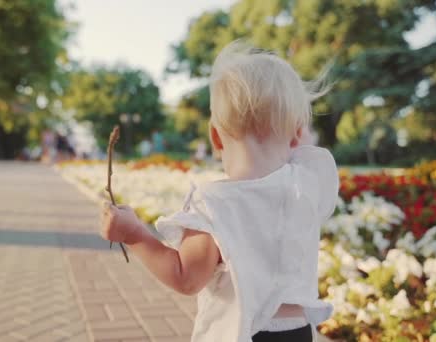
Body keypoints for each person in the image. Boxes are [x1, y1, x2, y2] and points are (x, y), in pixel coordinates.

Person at [99, 41, 337, 342]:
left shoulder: (214, 203)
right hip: (298, 332)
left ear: (215, 137)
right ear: (298, 135)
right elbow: (312, 157)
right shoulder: (306, 187)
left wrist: (134, 234)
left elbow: (185, 277)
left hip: (241, 333)